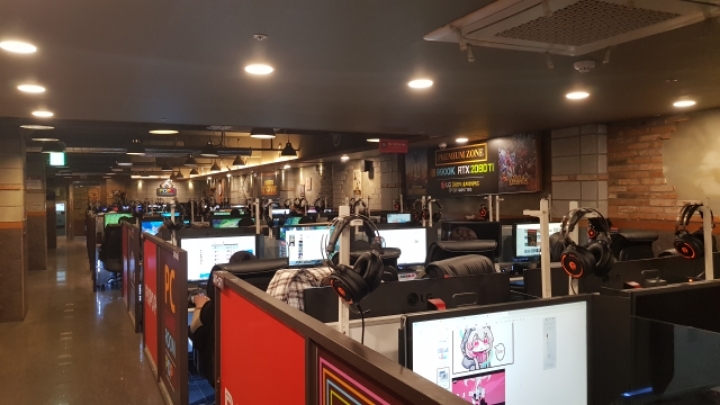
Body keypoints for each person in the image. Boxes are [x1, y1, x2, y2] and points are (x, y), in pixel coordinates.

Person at [189, 250, 257, 387]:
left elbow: (193, 331)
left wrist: (200, 305)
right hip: (251, 370)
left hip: (222, 371)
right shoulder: (262, 305)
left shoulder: (216, 305)